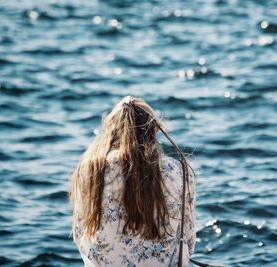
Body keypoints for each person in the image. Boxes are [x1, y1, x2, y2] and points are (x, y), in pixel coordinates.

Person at [69, 96, 196, 267]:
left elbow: (80, 234)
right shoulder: (179, 171)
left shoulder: (91, 168)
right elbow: (188, 237)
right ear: (153, 130)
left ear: (112, 130)